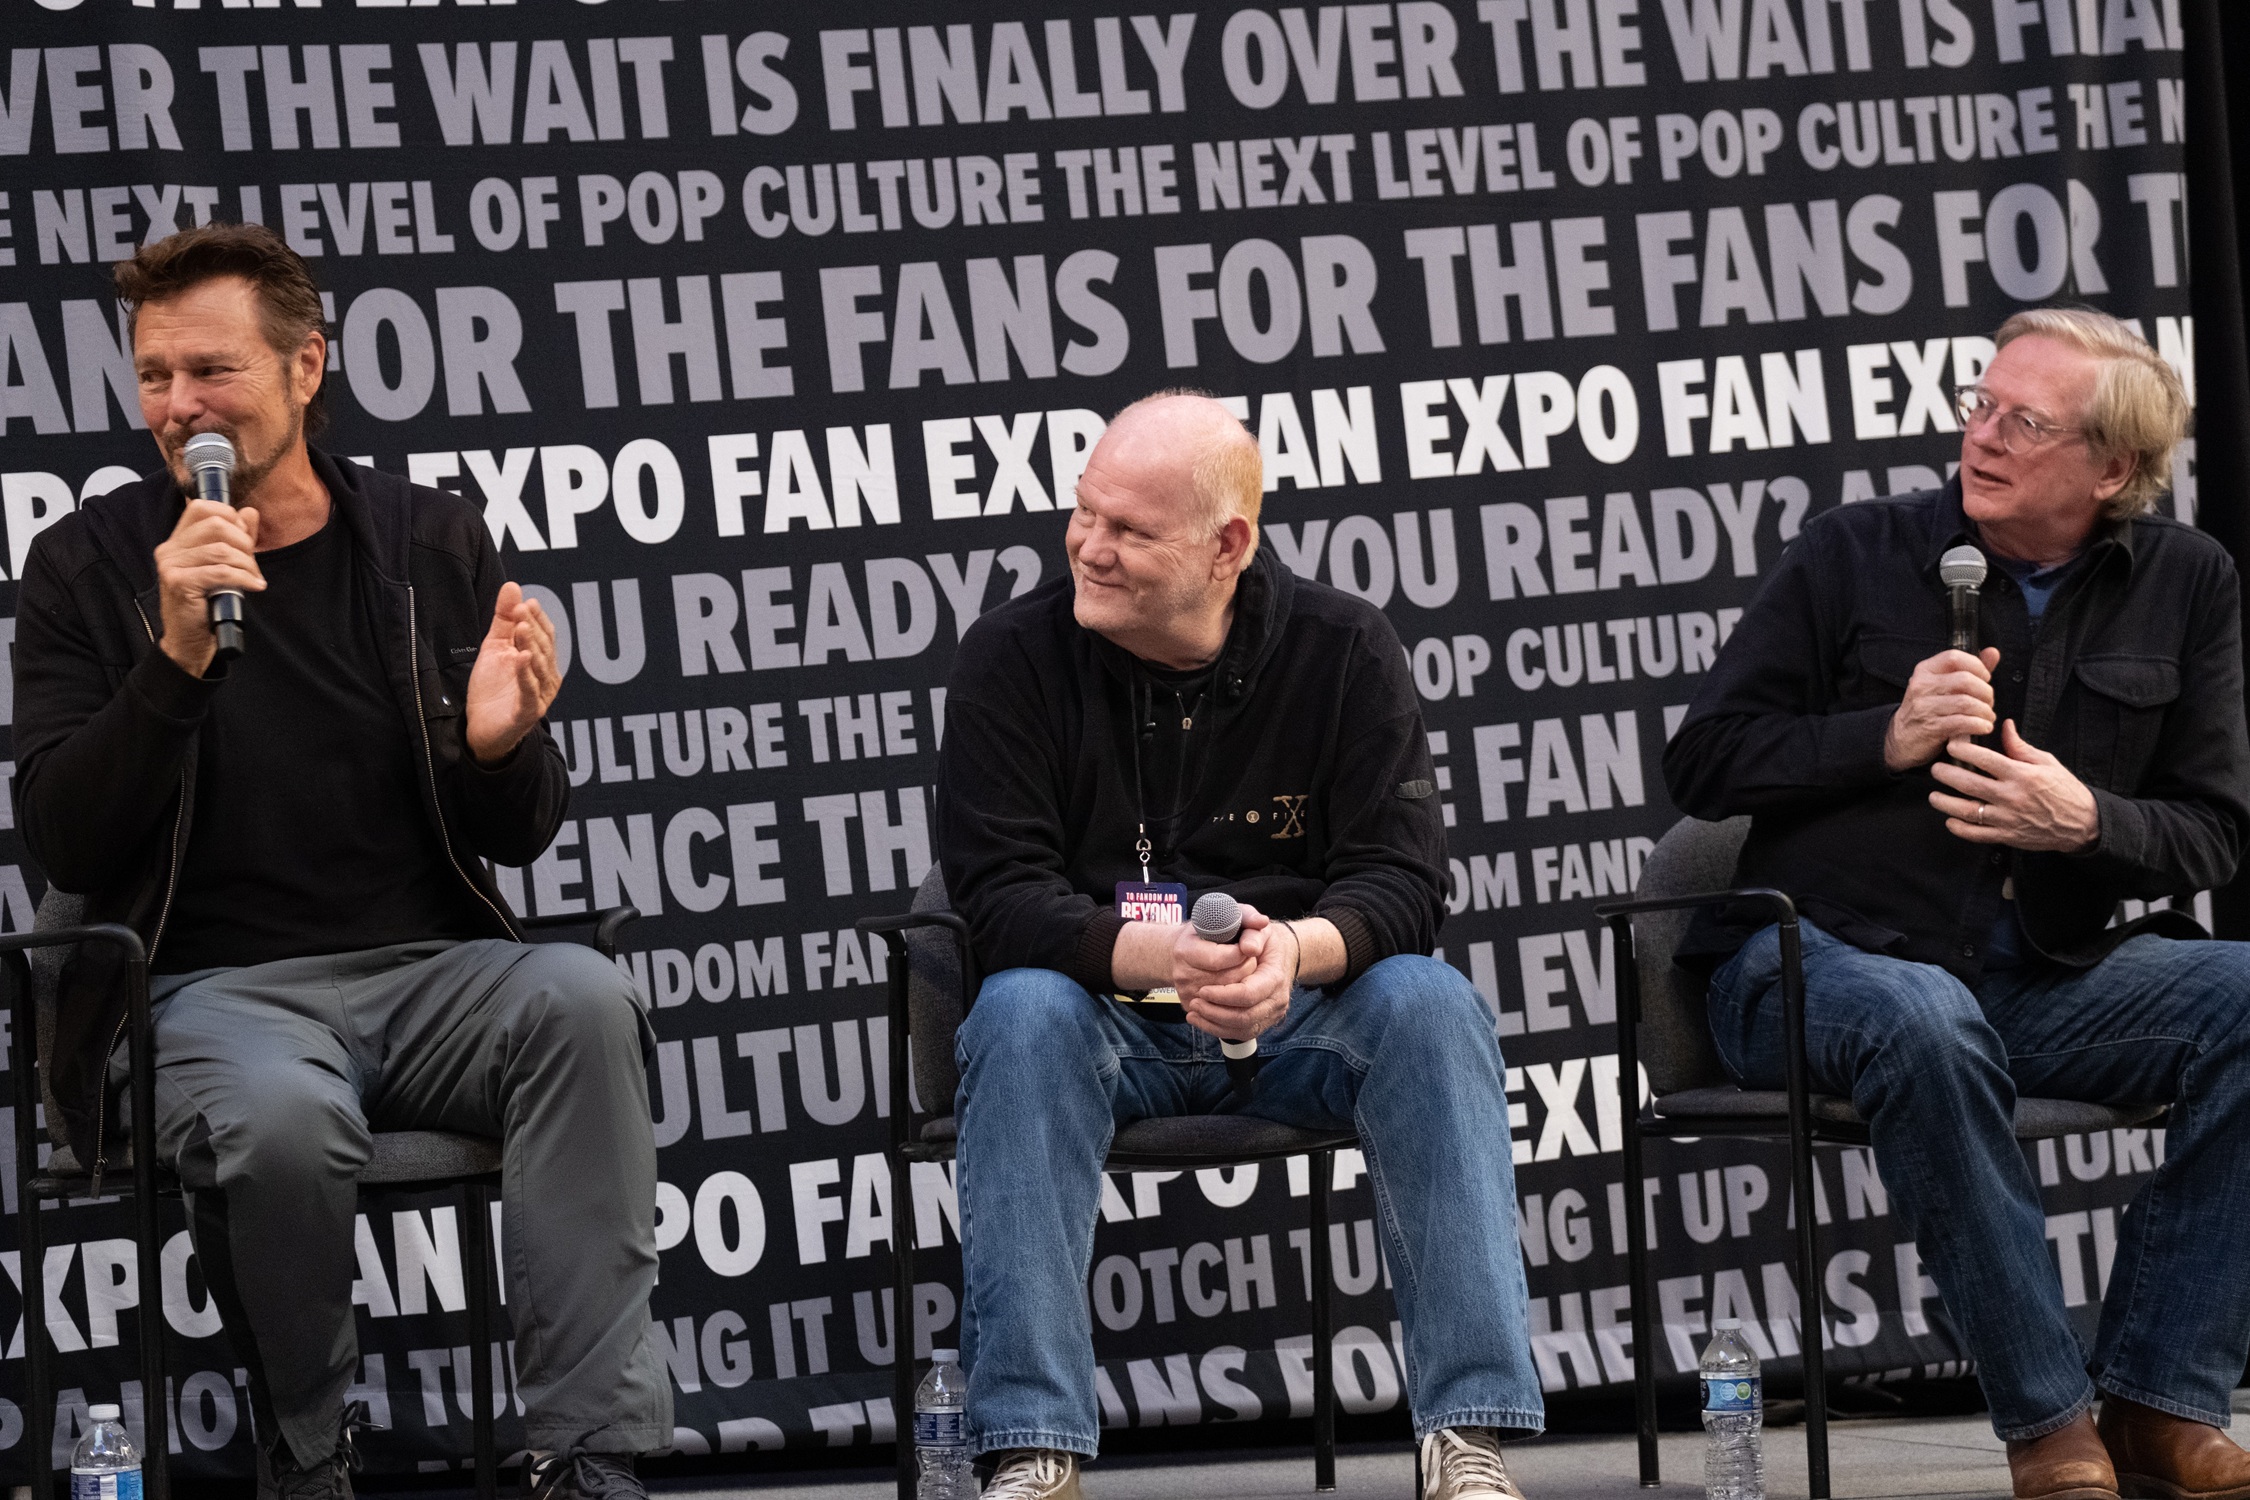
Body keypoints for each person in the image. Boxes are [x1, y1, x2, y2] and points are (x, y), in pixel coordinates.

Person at [13, 222, 671, 1499]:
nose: (176, 406)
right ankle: (310, 1449)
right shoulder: (87, 569)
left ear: (308, 368)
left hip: (432, 976)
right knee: (281, 1122)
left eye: (211, 372)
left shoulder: (427, 543)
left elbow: (518, 830)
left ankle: (585, 1453)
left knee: (586, 1001)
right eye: (153, 376)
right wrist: (175, 662)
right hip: (208, 997)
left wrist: (497, 748)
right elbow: (65, 838)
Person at [1664, 307, 2250, 1500]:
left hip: (2038, 973)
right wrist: (1878, 736)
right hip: (1813, 961)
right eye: (1979, 405)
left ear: (2113, 469)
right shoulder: (1852, 552)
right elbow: (1705, 763)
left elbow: (2214, 828)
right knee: (1923, 1019)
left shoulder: (2188, 582)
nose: (1983, 438)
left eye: (2025, 423)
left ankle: (2159, 1398)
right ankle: (2047, 1419)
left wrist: (2089, 822)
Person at [934, 391, 1542, 1500]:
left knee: (1430, 1005)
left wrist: (1291, 954)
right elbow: (1000, 897)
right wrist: (1166, 962)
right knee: (1018, 1010)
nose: (1088, 547)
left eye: (1128, 531)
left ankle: (1469, 1438)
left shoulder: (1345, 646)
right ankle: (1032, 1452)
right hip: (1104, 1010)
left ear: (1228, 546)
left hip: (1297, 1010)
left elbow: (1405, 883)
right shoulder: (1011, 658)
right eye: (1084, 514)